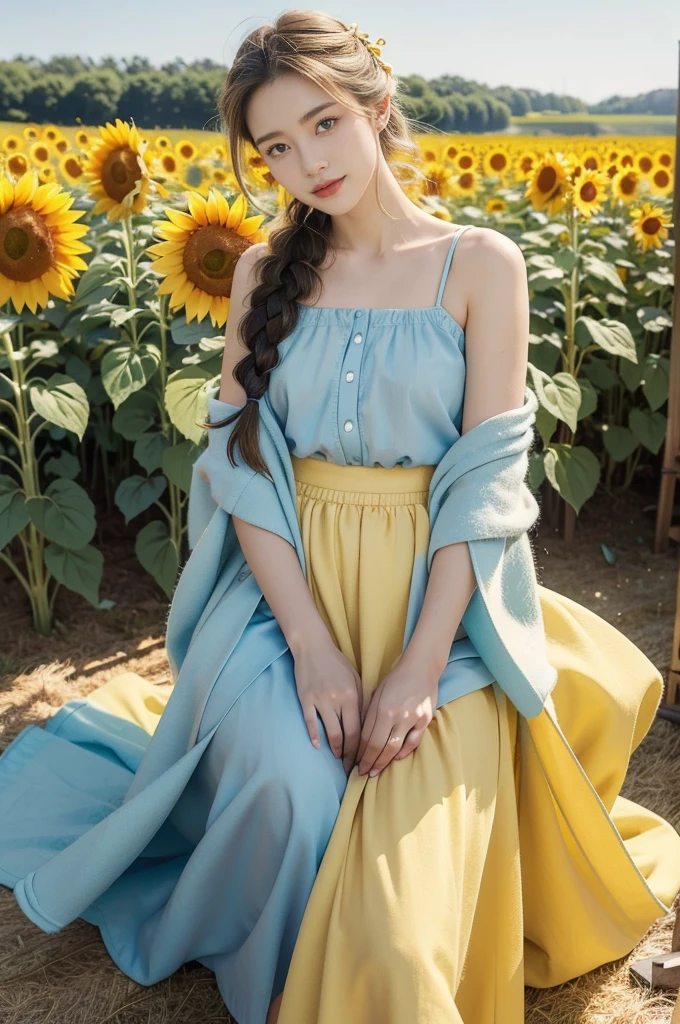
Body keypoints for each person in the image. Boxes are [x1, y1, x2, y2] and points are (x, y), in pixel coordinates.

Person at [0, 10, 679, 1024]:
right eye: (275, 145)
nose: (304, 161)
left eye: (322, 125)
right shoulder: (257, 274)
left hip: (443, 614)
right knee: (286, 793)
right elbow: (243, 467)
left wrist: (415, 668)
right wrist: (311, 647)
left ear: (376, 108)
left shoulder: (480, 264)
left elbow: (484, 486)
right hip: (285, 598)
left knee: (400, 936)